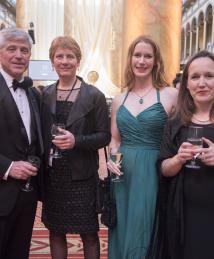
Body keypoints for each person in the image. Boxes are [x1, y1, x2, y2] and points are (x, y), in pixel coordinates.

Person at [107, 35, 177, 258]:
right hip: (122, 173)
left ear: (156, 61)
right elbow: (115, 139)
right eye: (137, 55)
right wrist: (112, 158)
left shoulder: (170, 95)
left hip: (153, 170)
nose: (142, 61)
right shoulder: (120, 99)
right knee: (124, 225)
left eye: (148, 56)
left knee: (145, 225)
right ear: (130, 59)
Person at [41, 36, 110, 259]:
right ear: (52, 61)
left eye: (70, 56)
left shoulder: (94, 95)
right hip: (53, 176)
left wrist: (76, 141)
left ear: (78, 60)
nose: (64, 61)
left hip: (81, 176)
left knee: (89, 234)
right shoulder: (45, 94)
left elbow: (104, 136)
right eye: (59, 56)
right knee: (55, 232)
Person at [147, 50, 214, 259]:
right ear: (186, 83)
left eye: (209, 76)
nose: (201, 83)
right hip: (183, 214)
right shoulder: (176, 123)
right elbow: (163, 169)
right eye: (195, 77)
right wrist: (177, 159)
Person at [0, 27, 43, 259]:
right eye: (11, 49)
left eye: (24, 50)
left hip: (26, 196)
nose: (19, 55)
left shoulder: (33, 93)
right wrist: (8, 167)